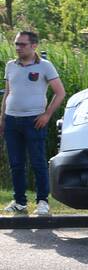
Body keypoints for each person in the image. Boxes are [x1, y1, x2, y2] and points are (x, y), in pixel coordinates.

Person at [1, 31, 66, 216]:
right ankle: (20, 202)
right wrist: (2, 118)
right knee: (16, 163)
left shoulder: (45, 66)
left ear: (34, 46)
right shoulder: (10, 66)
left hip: (34, 121)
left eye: (22, 44)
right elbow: (7, 93)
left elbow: (60, 92)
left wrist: (46, 115)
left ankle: (42, 202)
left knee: (37, 162)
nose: (18, 48)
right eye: (16, 44)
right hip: (12, 121)